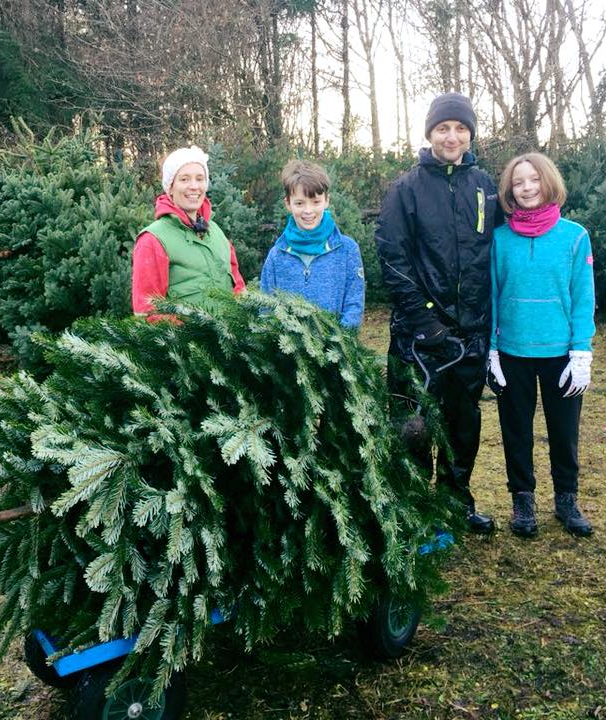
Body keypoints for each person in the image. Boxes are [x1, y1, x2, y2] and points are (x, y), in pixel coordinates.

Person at [375, 92, 502, 534]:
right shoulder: (405, 189)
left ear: (470, 134)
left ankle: (454, 501)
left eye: (461, 128)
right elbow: (392, 259)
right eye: (443, 128)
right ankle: (411, 508)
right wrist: (425, 321)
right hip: (419, 336)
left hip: (472, 332)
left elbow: (498, 253)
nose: (452, 136)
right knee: (413, 424)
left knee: (463, 423)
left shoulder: (485, 186)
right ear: (429, 134)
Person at [487, 152, 596, 538]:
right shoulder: (499, 240)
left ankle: (566, 500)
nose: (527, 187)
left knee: (564, 432)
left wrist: (582, 351)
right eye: (519, 182)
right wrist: (492, 350)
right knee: (516, 430)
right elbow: (493, 297)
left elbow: (583, 297)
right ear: (510, 191)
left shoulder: (574, 236)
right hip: (513, 353)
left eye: (534, 179)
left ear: (548, 182)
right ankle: (522, 501)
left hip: (561, 354)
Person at [132, 145, 245, 318]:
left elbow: (238, 287)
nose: (194, 186)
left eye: (200, 179)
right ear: (170, 187)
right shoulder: (153, 240)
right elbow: (148, 313)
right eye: (184, 179)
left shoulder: (216, 232)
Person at [260, 160, 365, 329]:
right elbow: (266, 308)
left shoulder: (347, 250)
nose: (308, 211)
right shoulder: (277, 255)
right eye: (300, 203)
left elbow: (354, 304)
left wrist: (338, 343)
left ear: (326, 200)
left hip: (335, 351)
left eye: (315, 202)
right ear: (288, 203)